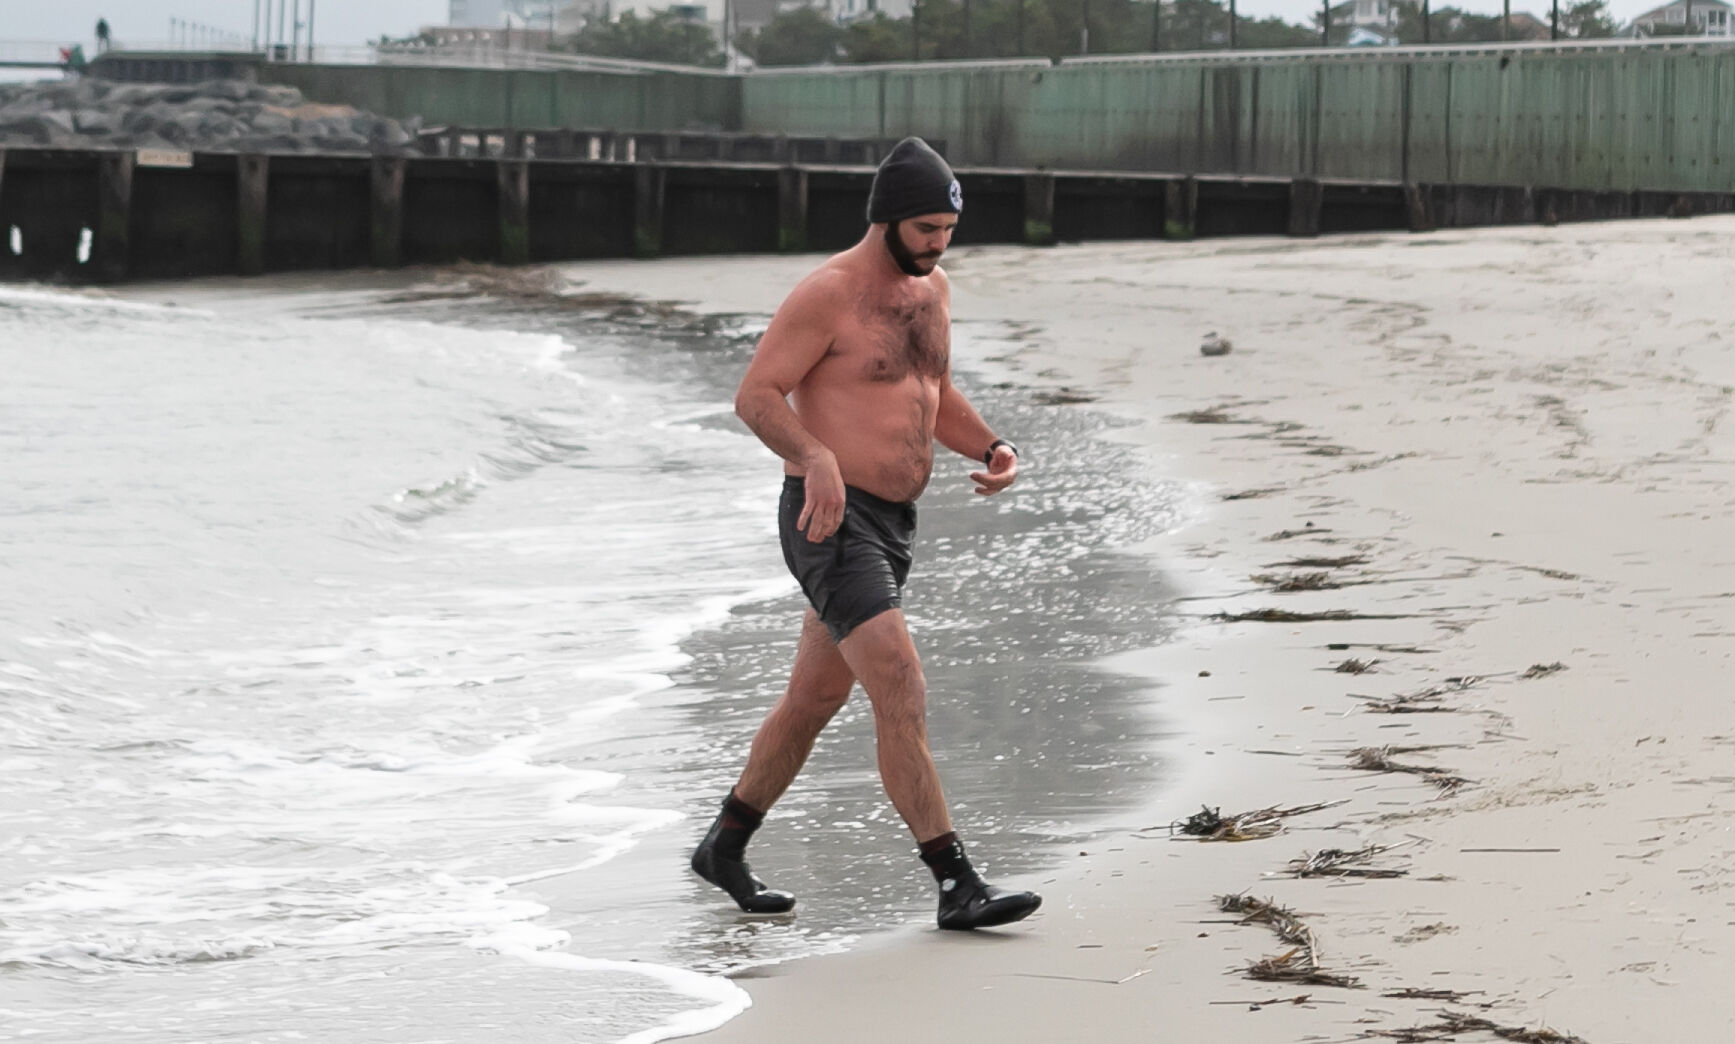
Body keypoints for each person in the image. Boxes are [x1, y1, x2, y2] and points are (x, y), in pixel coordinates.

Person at [691, 137, 1041, 932]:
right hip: (828, 521)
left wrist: (991, 446)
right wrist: (812, 454)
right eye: (923, 229)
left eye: (946, 230)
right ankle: (956, 882)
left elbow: (931, 391)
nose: (936, 244)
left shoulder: (932, 289)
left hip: (892, 524)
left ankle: (724, 845)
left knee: (813, 698)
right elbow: (756, 395)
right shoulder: (829, 293)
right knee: (900, 688)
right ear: (884, 220)